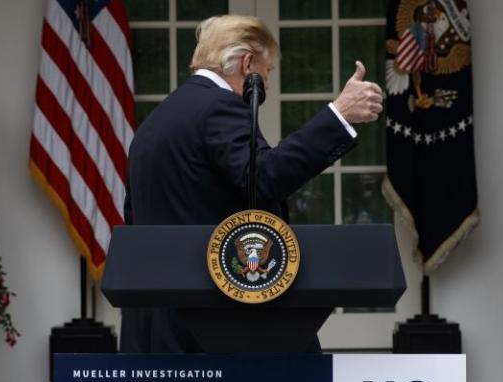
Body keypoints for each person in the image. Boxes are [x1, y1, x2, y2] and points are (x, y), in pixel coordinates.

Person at [121, 14, 384, 356]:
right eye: (269, 70)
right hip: (216, 323)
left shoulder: (157, 120)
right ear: (248, 64)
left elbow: (133, 214)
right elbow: (264, 177)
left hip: (157, 324)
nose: (270, 85)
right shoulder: (218, 107)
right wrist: (338, 115)